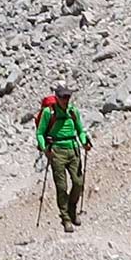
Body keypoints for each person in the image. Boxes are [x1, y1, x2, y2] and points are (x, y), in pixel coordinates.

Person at [35, 82, 91, 233]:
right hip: (57, 151)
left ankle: (72, 208)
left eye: (68, 96)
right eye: (63, 97)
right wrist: (45, 148)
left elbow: (80, 130)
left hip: (73, 148)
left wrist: (84, 142)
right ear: (57, 97)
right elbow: (40, 133)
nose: (66, 99)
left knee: (78, 182)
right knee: (62, 187)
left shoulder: (73, 111)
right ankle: (66, 218)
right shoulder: (49, 113)